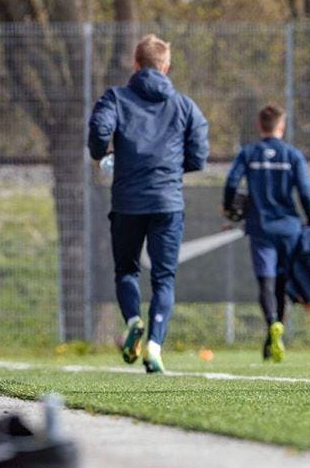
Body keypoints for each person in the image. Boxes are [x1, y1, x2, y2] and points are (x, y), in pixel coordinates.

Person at [88, 34, 209, 373]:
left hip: (128, 200)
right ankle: (154, 345)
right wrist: (175, 167)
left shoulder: (116, 97)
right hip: (167, 201)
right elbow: (199, 152)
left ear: (135, 64)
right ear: (166, 67)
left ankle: (132, 322)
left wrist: (104, 155)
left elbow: (99, 130)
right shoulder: (184, 105)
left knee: (126, 269)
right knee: (164, 278)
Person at [222, 104, 310, 362]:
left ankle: (272, 324)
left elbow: (232, 182)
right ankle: (273, 334)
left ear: (259, 126)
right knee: (282, 283)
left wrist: (228, 207)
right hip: (289, 228)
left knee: (265, 282)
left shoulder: (249, 153)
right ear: (281, 126)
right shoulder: (292, 155)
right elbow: (305, 191)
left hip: (261, 227)